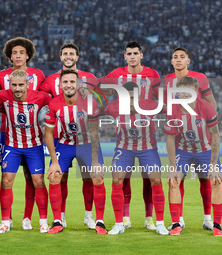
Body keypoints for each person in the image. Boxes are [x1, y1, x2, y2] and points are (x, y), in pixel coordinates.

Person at [101, 41, 161, 230]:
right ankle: (123, 219)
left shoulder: (152, 74)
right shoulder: (116, 75)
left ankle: (150, 219)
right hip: (123, 142)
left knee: (150, 179)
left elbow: (161, 99)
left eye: (136, 53)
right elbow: (99, 88)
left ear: (141, 55)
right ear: (125, 56)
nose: (133, 56)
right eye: (129, 53)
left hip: (147, 141)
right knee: (121, 179)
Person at [39, 43, 97, 229]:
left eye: (72, 53)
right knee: (59, 176)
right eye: (65, 53)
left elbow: (100, 99)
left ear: (77, 57)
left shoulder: (90, 78)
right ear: (61, 56)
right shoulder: (50, 80)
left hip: (83, 137)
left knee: (88, 177)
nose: (68, 56)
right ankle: (60, 216)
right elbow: (42, 98)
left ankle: (89, 216)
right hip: (58, 136)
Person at [45, 69, 107, 234]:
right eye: (65, 82)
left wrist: (95, 161)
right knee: (54, 175)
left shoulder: (89, 102)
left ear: (78, 84)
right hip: (65, 144)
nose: (69, 85)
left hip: (86, 144)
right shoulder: (54, 103)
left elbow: (94, 133)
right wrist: (54, 162)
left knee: (96, 176)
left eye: (72, 82)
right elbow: (48, 134)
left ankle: (97, 220)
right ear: (60, 84)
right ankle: (58, 220)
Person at [105, 81, 168, 235]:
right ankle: (119, 223)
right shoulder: (113, 107)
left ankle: (159, 223)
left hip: (147, 148)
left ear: (139, 96)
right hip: (124, 148)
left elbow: (171, 108)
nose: (130, 102)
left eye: (133, 98)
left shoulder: (151, 105)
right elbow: (95, 109)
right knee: (116, 180)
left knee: (156, 180)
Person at [165, 47, 217, 230]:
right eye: (175, 57)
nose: (178, 60)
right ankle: (178, 218)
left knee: (205, 179)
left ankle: (208, 219)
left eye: (182, 57)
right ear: (171, 61)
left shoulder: (200, 77)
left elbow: (210, 102)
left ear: (188, 60)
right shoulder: (168, 80)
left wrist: (210, 125)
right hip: (181, 135)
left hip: (201, 135)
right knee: (179, 178)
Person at [0, 37, 45, 230]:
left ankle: (27, 217)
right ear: (9, 56)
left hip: (32, 136)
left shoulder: (38, 75)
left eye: (21, 52)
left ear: (28, 55)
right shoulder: (1, 76)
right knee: (6, 177)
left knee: (32, 177)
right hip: (8, 134)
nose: (18, 56)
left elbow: (45, 98)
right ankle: (5, 219)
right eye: (14, 53)